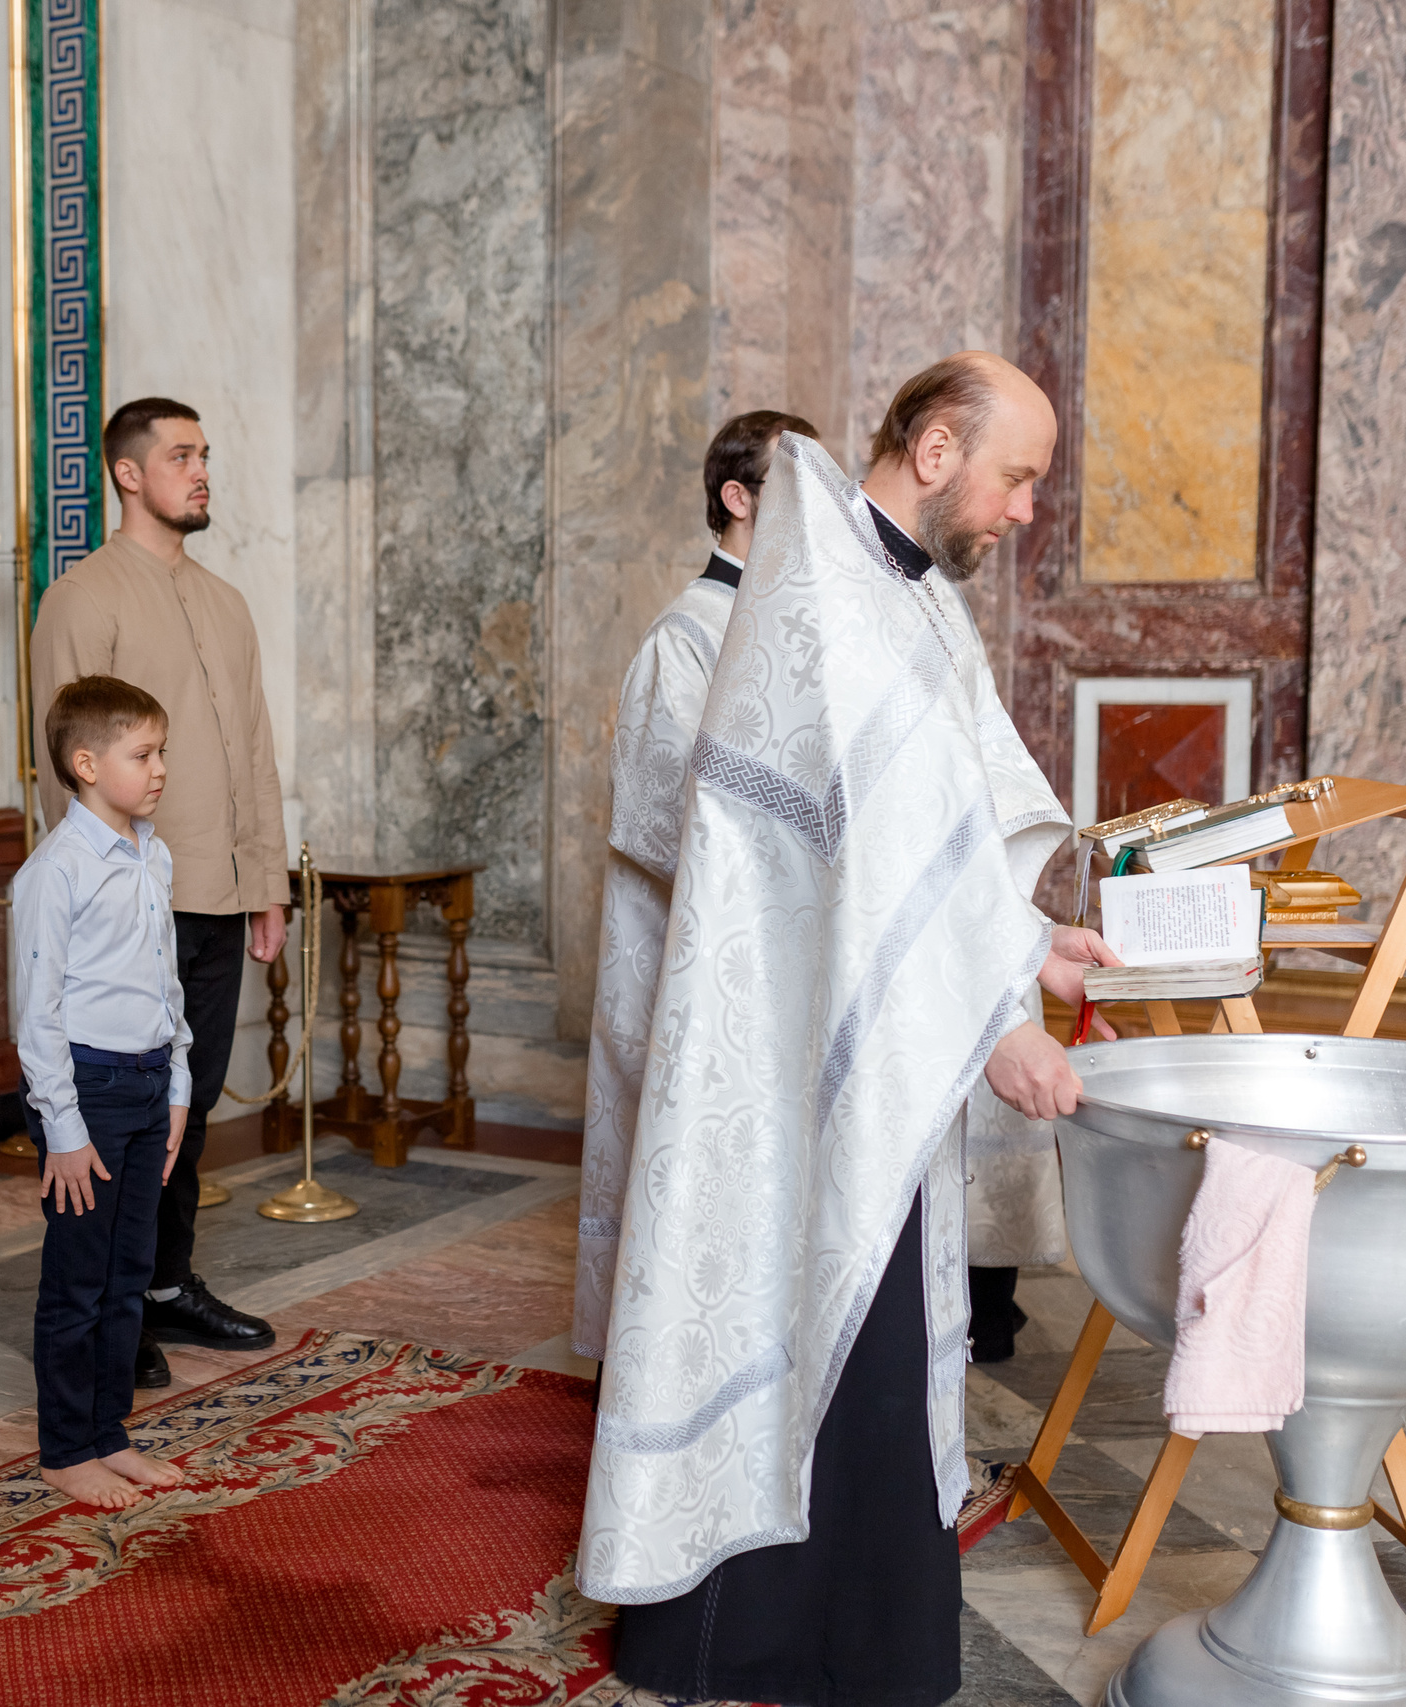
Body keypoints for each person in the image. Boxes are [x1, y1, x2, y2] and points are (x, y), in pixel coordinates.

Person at [581, 354, 1120, 1706]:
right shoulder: (817, 595)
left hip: (884, 1038)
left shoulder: (909, 598)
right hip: (791, 1050)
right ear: (937, 450)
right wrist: (997, 1024)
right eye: (1016, 476)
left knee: (875, 1331)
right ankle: (749, 1635)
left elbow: (938, 828)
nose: (1022, 510)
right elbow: (849, 852)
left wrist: (1023, 940)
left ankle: (857, 1633)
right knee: (801, 1304)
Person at [29, 397, 284, 1389]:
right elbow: (68, 764)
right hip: (125, 909)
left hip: (219, 893)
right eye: (181, 456)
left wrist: (264, 882)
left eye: (205, 455)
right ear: (128, 473)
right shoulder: (82, 599)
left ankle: (168, 1284)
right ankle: (114, 1304)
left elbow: (253, 748)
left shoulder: (225, 601)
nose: (201, 471)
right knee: (117, 1115)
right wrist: (100, 901)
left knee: (192, 1100)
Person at [572, 408, 817, 1363]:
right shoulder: (687, 637)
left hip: (778, 955)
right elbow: (660, 817)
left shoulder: (788, 628)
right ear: (737, 497)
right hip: (701, 960)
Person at [11, 674, 192, 1509]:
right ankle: (64, 1446)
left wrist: (179, 1084)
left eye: (161, 752)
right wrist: (64, 1128)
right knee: (78, 1279)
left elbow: (165, 984)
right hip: (86, 1089)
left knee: (129, 1275)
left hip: (151, 1084)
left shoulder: (153, 852)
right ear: (86, 763)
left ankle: (109, 1432)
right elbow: (36, 1011)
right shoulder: (56, 871)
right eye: (142, 753)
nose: (159, 768)